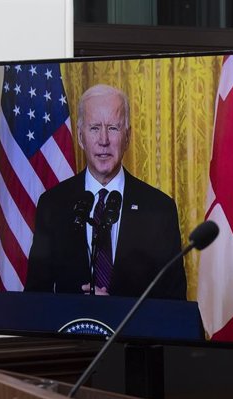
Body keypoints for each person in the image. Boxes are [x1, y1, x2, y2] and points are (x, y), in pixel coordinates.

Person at [25, 84, 187, 300]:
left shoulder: (159, 209)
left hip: (133, 333)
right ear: (81, 137)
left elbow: (174, 303)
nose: (103, 140)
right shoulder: (52, 205)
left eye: (113, 128)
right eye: (94, 128)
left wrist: (114, 310)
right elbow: (35, 297)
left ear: (127, 137)